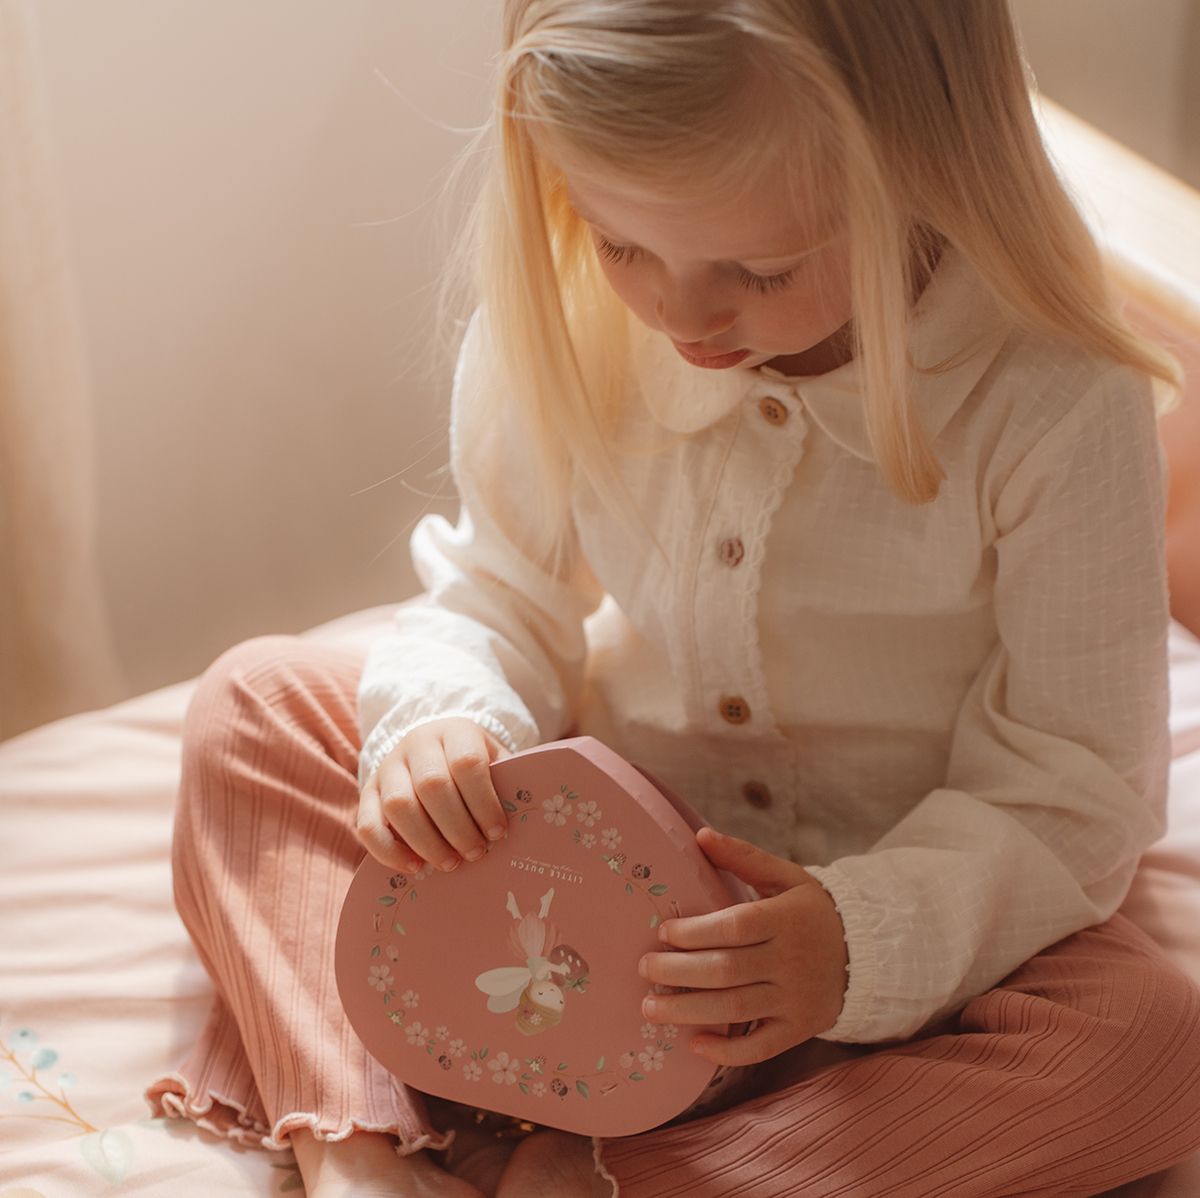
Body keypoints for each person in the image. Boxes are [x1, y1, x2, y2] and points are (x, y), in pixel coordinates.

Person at [148, 1, 1200, 1194]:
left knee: (1148, 1044)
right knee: (256, 702)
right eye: (621, 244)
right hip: (575, 886)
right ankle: (359, 1153)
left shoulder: (1054, 396)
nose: (682, 315)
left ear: (932, 168)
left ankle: (618, 1170)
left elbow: (1075, 781)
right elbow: (498, 596)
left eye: (761, 270)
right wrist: (449, 726)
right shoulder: (569, 317)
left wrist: (856, 942)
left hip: (878, 921)